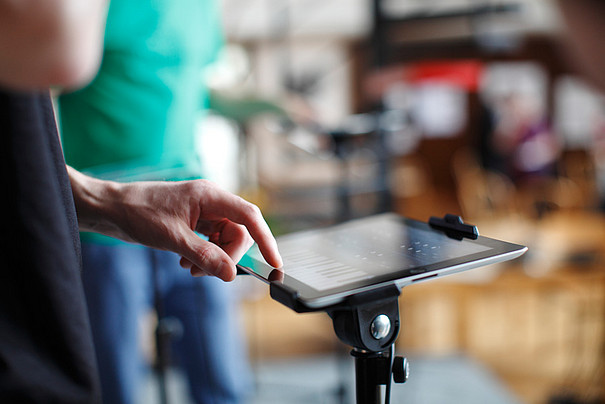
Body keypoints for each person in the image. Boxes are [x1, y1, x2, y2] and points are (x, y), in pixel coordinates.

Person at [0, 1, 282, 403]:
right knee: (111, 383)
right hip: (104, 233)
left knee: (222, 381)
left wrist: (275, 106)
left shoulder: (201, 9)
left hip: (196, 212)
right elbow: (35, 88)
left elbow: (195, 88)